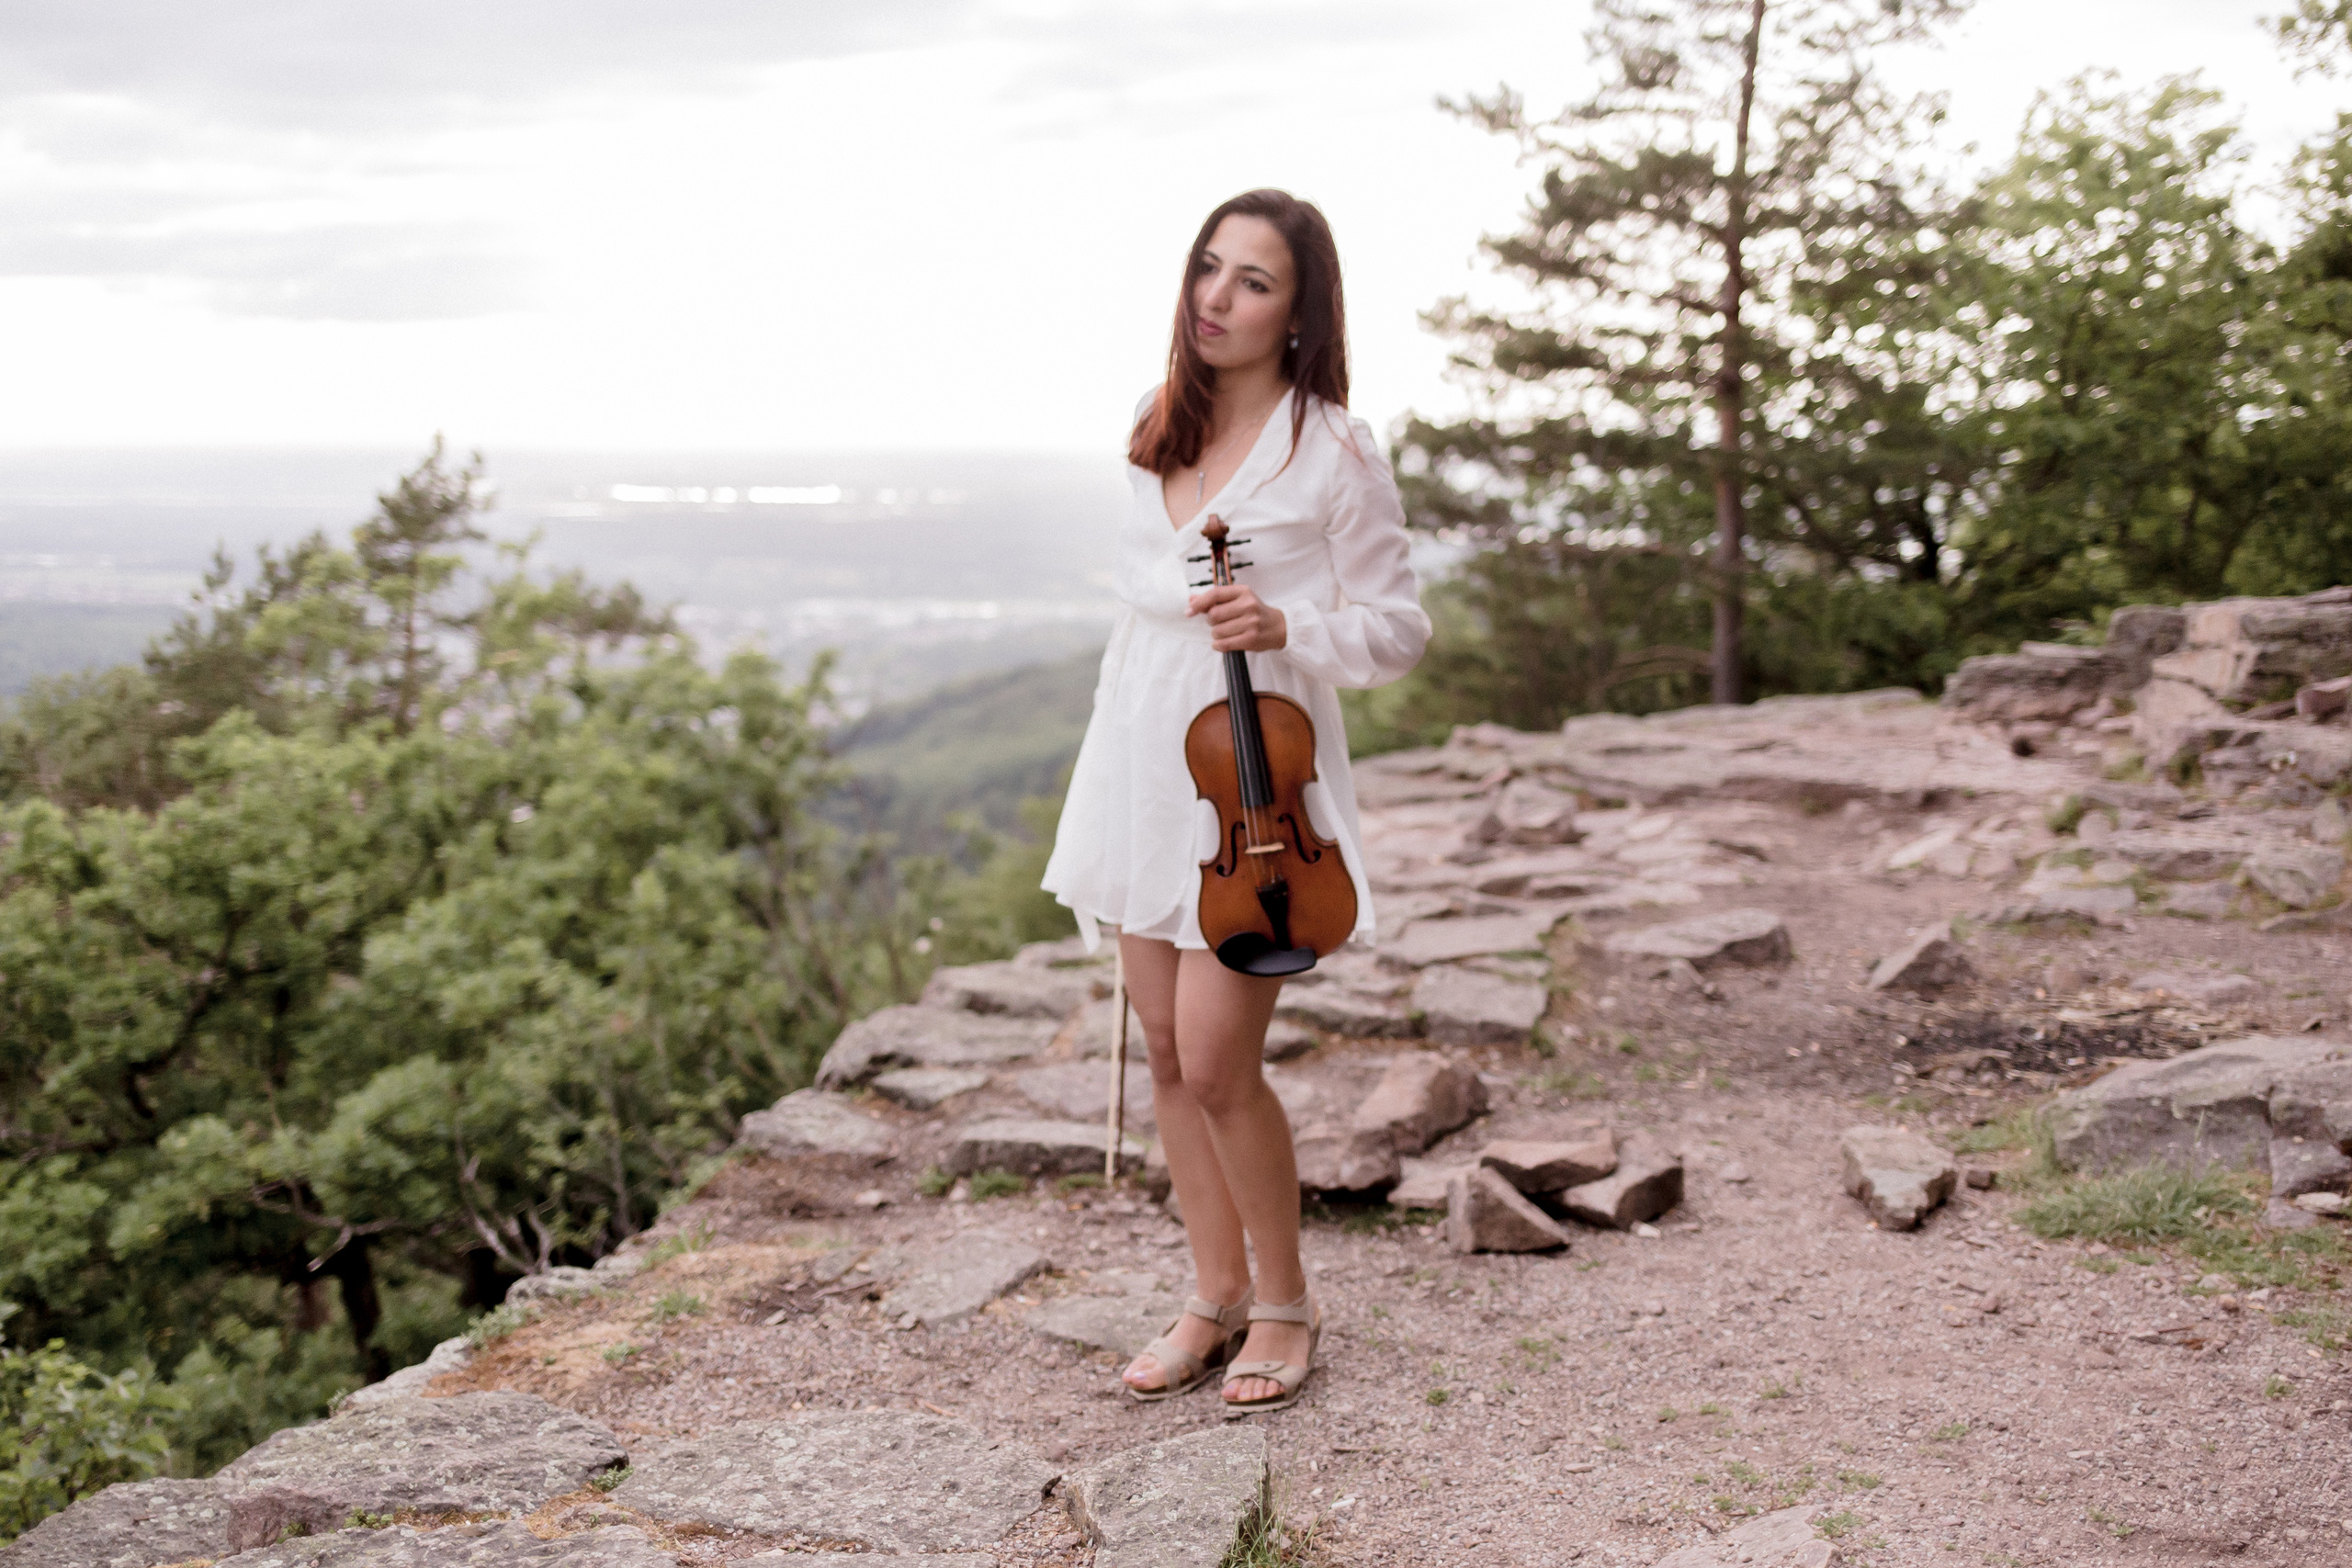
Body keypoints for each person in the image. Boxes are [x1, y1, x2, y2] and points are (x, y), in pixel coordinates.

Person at [1041, 188, 1430, 1414]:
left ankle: (1285, 1303)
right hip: (1145, 760)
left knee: (1216, 1062)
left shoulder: (1335, 449)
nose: (1217, 297)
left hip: (1253, 785)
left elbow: (1397, 629)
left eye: (1253, 281)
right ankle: (1209, 1295)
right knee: (1163, 1052)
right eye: (1209, 269)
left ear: (1302, 310)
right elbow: (1134, 620)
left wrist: (1287, 621)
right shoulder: (1162, 423)